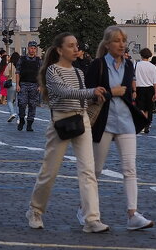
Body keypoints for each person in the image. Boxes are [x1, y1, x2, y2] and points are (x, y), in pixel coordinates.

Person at [26, 33, 109, 233]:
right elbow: (64, 91)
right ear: (59, 50)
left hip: (81, 121)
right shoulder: (52, 71)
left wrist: (94, 99)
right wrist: (91, 92)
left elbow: (80, 98)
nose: (75, 49)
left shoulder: (79, 72)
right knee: (50, 171)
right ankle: (35, 210)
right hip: (60, 122)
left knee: (88, 171)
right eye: (70, 46)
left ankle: (91, 219)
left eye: (76, 45)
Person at [85, 26, 153, 230]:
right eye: (117, 40)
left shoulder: (129, 65)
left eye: (123, 40)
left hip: (125, 121)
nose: (122, 44)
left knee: (130, 168)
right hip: (103, 122)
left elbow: (128, 93)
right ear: (107, 45)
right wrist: (110, 93)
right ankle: (85, 210)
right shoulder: (97, 65)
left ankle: (132, 214)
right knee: (95, 170)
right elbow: (88, 93)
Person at [15, 41, 44, 131]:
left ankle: (30, 124)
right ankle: (22, 119)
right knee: (22, 104)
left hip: (34, 85)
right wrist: (17, 85)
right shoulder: (22, 59)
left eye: (34, 48)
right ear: (28, 48)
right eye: (31, 48)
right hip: (23, 84)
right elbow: (17, 72)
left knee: (32, 105)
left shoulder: (39, 61)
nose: (33, 50)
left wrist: (40, 85)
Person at [133, 48, 156, 133]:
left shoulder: (136, 65)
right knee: (147, 108)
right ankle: (146, 123)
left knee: (140, 106)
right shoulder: (153, 66)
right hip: (150, 88)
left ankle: (142, 124)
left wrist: (133, 90)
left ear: (141, 55)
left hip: (139, 87)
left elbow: (133, 79)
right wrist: (155, 93)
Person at [4, 52, 19, 120]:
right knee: (18, 102)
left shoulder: (10, 65)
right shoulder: (20, 65)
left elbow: (5, 74)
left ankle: (12, 113)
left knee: (9, 100)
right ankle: (19, 118)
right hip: (19, 84)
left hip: (11, 84)